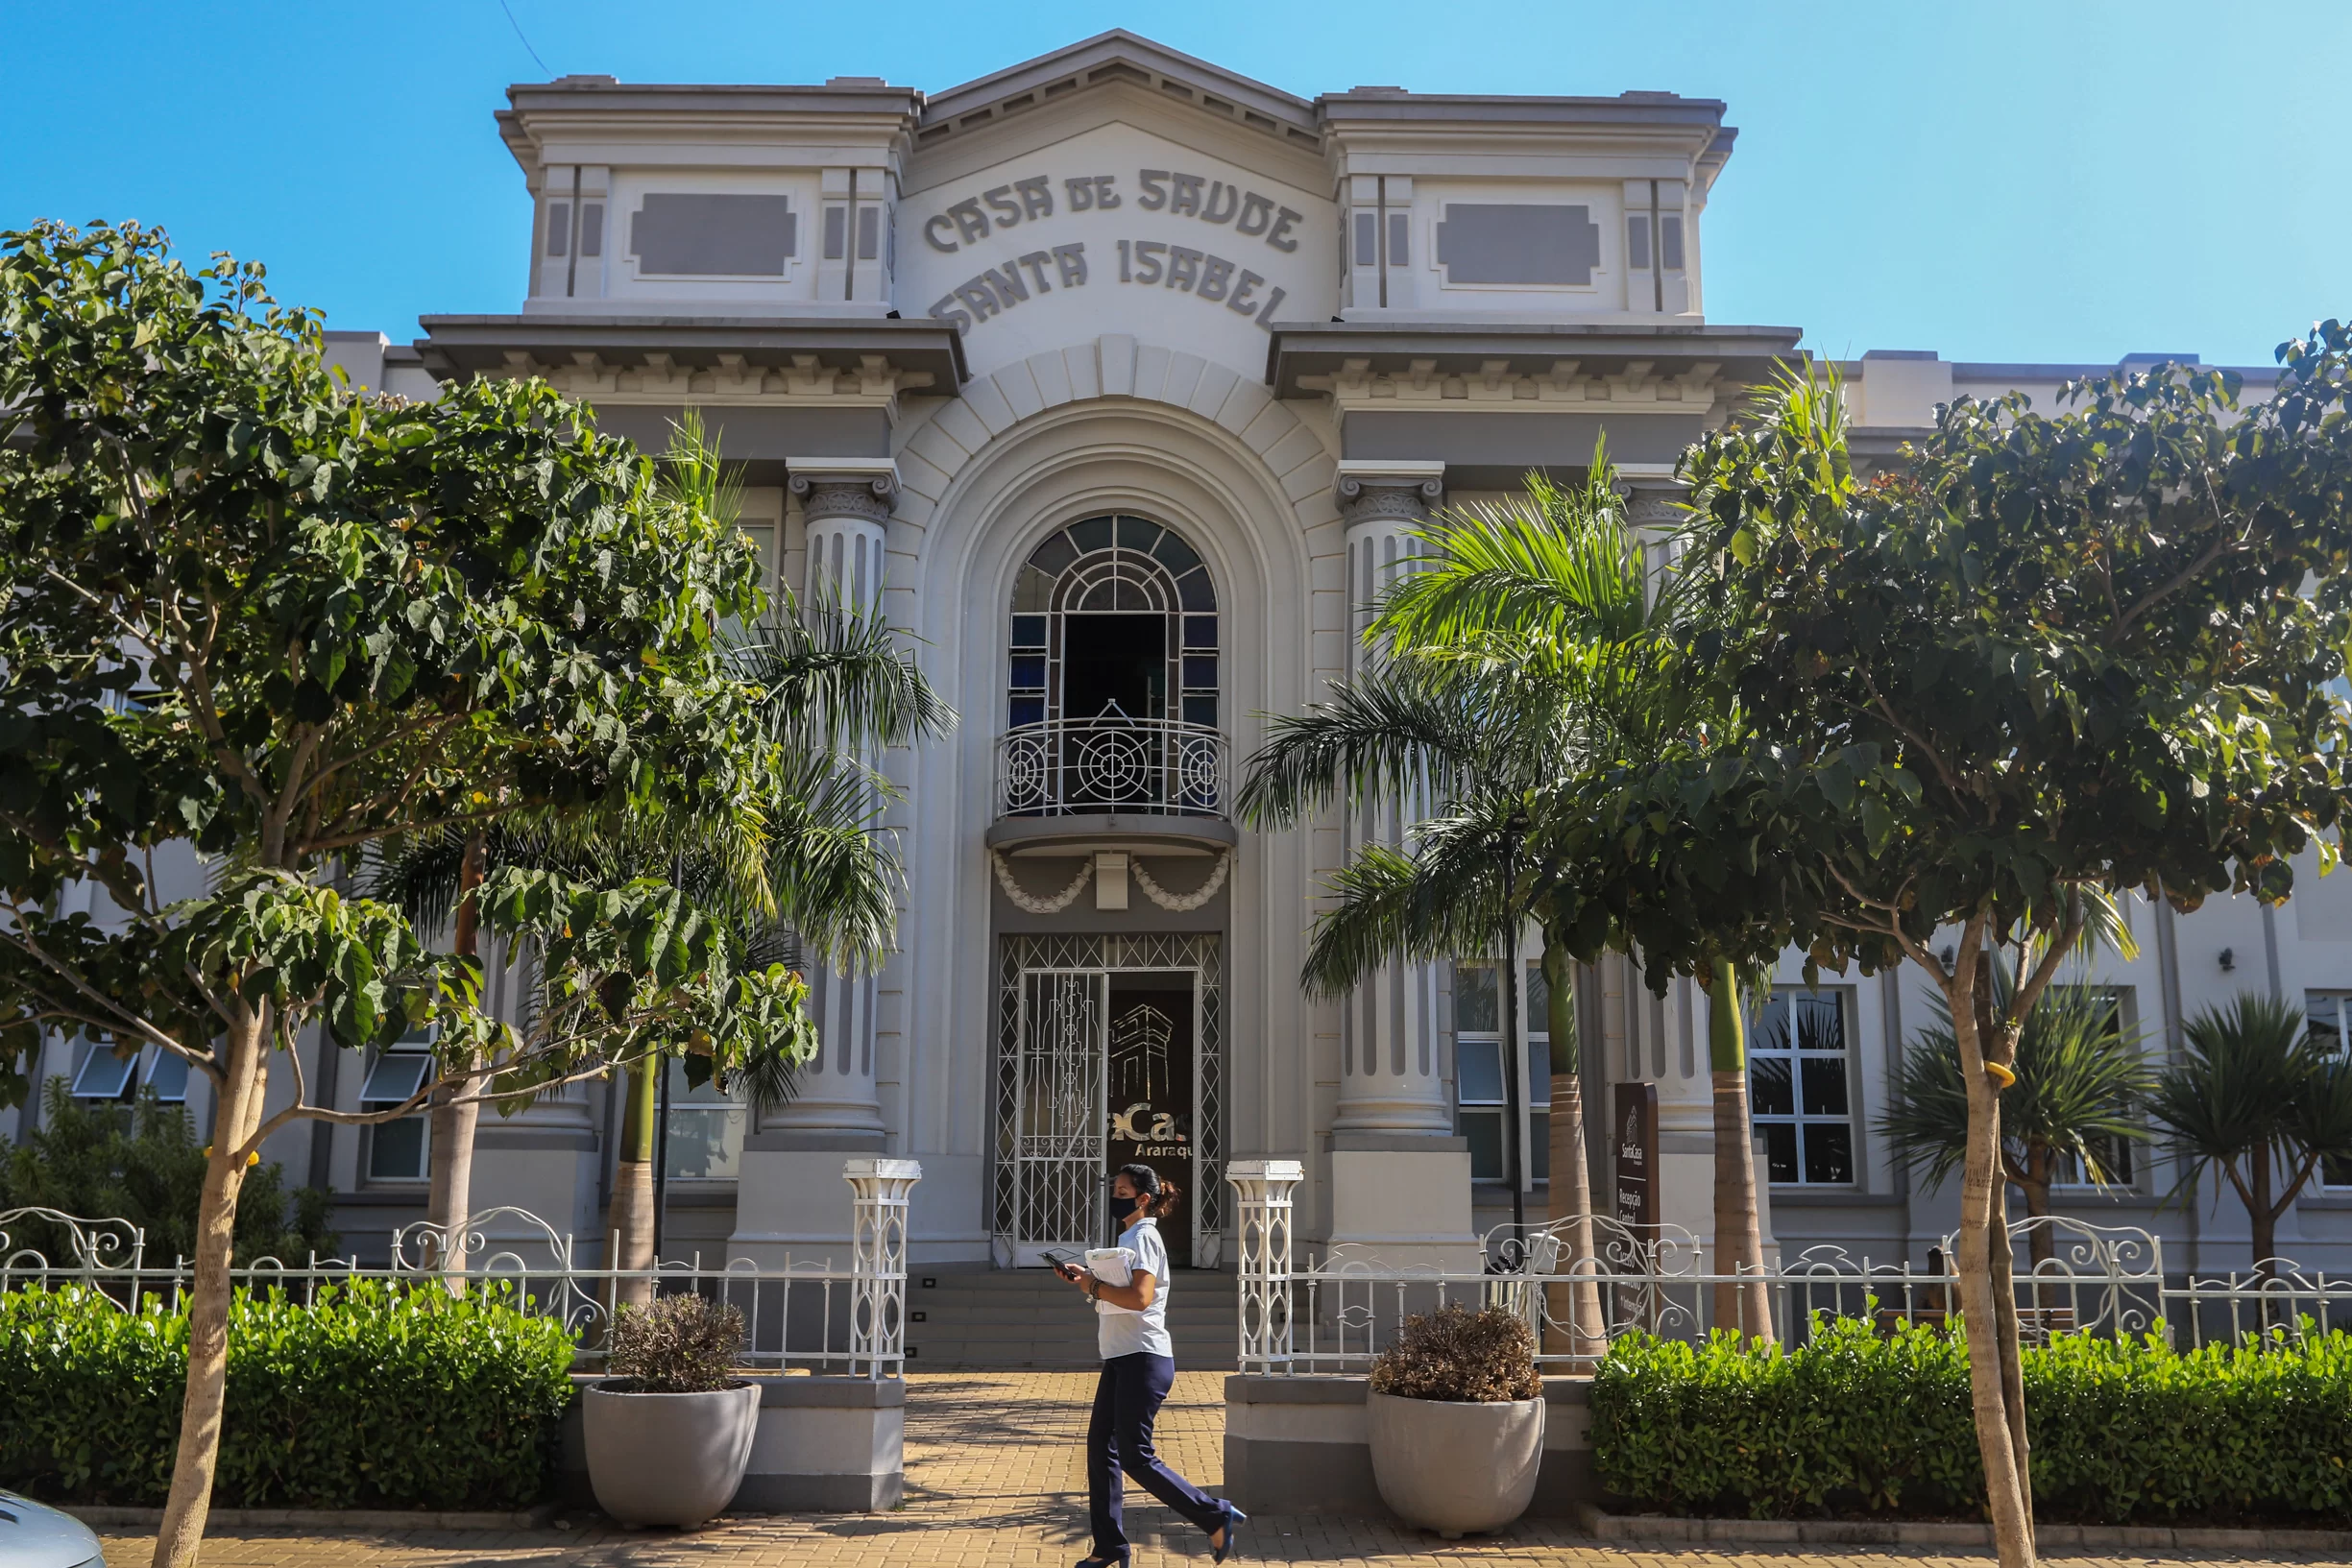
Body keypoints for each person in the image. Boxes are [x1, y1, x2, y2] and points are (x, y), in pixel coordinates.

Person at [1055, 1163, 1246, 1567]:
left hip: (1143, 1357)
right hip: (1122, 1356)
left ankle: (1215, 1514)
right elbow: (1119, 1295)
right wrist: (1085, 1279)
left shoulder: (1144, 1237)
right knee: (1100, 1450)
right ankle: (1110, 1548)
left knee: (1135, 1455)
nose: (1115, 1195)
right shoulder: (1128, 1237)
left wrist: (1092, 1284)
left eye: (1123, 1191)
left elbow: (1140, 1299)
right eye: (1115, 1188)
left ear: (1144, 1198)